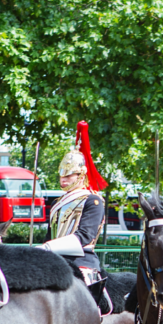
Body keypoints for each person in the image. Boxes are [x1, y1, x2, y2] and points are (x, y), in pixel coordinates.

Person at [42, 121, 107, 287]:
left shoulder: (92, 200)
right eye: (61, 175)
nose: (63, 179)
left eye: (69, 176)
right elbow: (51, 235)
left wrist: (47, 247)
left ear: (81, 174)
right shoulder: (57, 203)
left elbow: (85, 236)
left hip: (81, 261)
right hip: (55, 260)